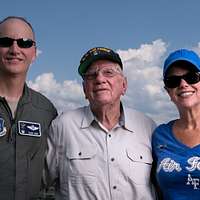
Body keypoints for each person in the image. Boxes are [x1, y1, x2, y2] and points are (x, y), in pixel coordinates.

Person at [46, 47, 156, 199]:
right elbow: (38, 182)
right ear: (85, 89)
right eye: (91, 75)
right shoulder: (62, 126)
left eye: (108, 72)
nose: (99, 79)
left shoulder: (147, 127)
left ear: (124, 85)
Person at [0, 16, 57, 200]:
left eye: (24, 43)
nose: (14, 49)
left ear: (34, 53)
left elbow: (52, 177)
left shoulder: (46, 111)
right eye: (5, 42)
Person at [152, 49, 200, 199]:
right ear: (168, 92)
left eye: (191, 77)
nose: (183, 84)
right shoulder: (160, 136)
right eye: (173, 81)